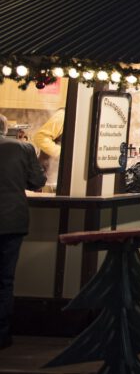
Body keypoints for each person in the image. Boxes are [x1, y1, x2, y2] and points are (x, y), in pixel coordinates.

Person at [0, 114, 46, 349]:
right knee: (5, 280)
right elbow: (37, 181)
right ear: (5, 128)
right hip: (11, 220)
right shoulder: (23, 148)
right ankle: (2, 335)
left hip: (11, 220)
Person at [31, 108, 63, 191]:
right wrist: (63, 153)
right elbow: (40, 137)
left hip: (60, 176)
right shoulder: (62, 115)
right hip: (47, 177)